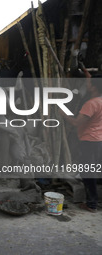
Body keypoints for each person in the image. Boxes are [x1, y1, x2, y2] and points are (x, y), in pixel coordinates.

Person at [60, 66, 102, 213]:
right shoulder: (100, 100)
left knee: (87, 172)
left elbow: (77, 123)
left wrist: (63, 113)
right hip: (98, 140)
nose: (87, 84)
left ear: (94, 88)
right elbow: (92, 80)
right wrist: (84, 70)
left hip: (89, 141)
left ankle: (92, 204)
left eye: (90, 84)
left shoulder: (91, 104)